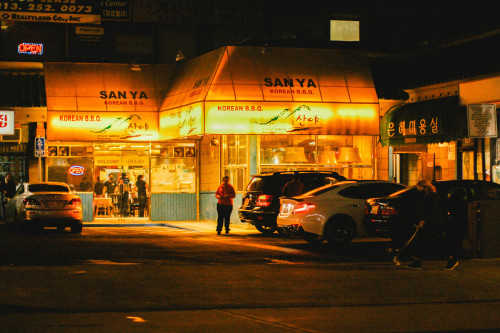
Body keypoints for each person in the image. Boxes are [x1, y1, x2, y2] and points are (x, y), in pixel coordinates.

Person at [405, 180, 443, 269]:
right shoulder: (428, 196)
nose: (418, 189)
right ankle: (417, 261)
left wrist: (423, 220)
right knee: (422, 241)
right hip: (431, 222)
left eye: (419, 187)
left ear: (424, 187)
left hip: (431, 223)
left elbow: (430, 210)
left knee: (429, 241)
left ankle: (451, 258)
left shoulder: (431, 196)